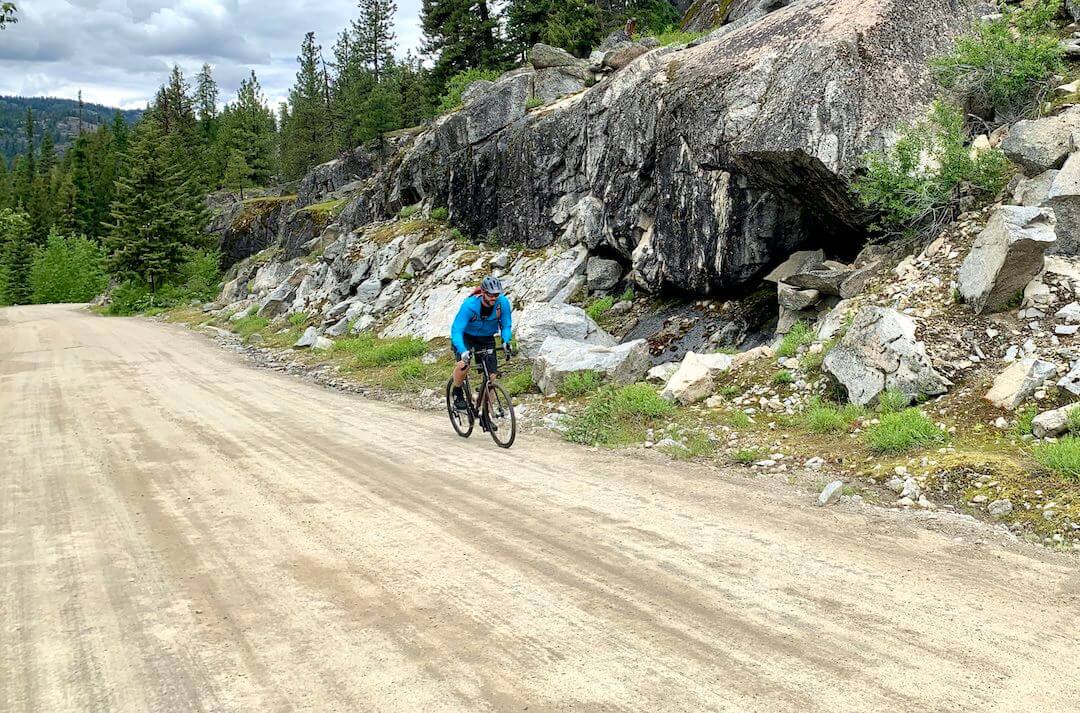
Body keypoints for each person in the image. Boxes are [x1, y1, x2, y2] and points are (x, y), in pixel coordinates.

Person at [450, 276, 513, 428]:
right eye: (490, 294)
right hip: (466, 337)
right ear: (483, 292)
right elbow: (457, 330)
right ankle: (457, 391)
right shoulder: (470, 306)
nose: (494, 298)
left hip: (486, 338)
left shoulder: (502, 303)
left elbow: (506, 325)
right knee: (464, 365)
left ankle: (486, 415)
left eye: (496, 295)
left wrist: (505, 341)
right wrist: (463, 350)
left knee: (491, 378)